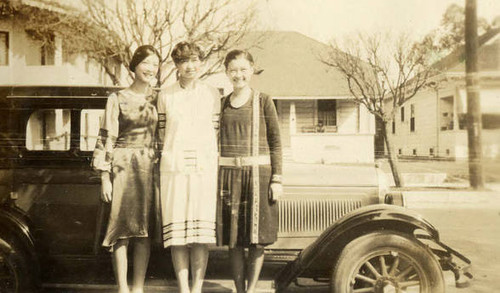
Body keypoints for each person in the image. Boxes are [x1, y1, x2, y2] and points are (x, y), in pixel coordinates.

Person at [92, 45, 160, 293]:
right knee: (122, 230)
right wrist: (104, 177)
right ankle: (122, 288)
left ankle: (138, 288)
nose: (151, 68)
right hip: (122, 166)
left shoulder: (157, 98)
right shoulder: (117, 98)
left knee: (143, 232)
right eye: (146, 63)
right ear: (134, 66)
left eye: (155, 64)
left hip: (149, 167)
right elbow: (107, 137)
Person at [217, 49, 283, 293]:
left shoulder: (263, 100)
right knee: (234, 241)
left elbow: (276, 142)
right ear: (226, 72)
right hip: (229, 178)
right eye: (233, 70)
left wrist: (277, 179)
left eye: (243, 69)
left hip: (258, 177)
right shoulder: (222, 104)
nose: (238, 75)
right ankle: (239, 290)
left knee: (256, 241)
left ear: (252, 70)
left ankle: (252, 290)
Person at [157, 42, 220, 293]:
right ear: (176, 65)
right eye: (184, 61)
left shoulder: (212, 94)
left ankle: (197, 288)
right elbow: (162, 134)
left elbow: (215, 131)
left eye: (194, 60)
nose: (190, 66)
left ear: (201, 63)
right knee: (178, 236)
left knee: (200, 235)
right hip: (174, 170)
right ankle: (184, 289)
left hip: (204, 170)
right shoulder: (166, 94)